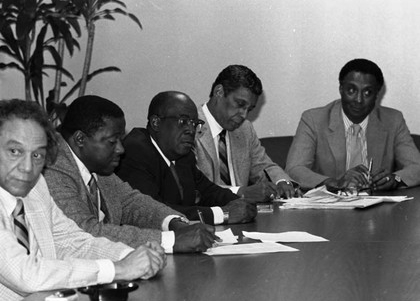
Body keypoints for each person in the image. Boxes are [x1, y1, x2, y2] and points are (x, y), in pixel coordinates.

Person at [0, 99, 166, 301]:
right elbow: (25, 273)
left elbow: (71, 241)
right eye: (15, 151)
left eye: (37, 154)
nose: (27, 167)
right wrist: (120, 268)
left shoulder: (34, 184)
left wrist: (132, 255)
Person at [43, 95, 217, 253]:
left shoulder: (98, 167)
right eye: (112, 141)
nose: (120, 148)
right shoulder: (54, 167)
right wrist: (170, 240)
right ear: (80, 139)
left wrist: (174, 223)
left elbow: (131, 202)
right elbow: (85, 232)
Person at [116, 91, 257, 225]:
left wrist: (242, 203)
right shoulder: (134, 151)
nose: (191, 130)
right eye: (183, 121)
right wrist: (223, 214)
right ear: (156, 123)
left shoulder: (183, 155)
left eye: (194, 123)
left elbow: (209, 191)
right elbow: (154, 211)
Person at [286, 58, 420, 191]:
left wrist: (395, 179)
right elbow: (294, 169)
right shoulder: (314, 119)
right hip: (329, 207)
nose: (359, 99)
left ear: (377, 94)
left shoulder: (393, 120)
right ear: (341, 89)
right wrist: (333, 182)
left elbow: (417, 166)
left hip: (377, 205)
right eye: (351, 90)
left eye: (367, 92)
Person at [195, 65, 298, 201]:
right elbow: (195, 186)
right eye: (239, 104)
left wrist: (282, 182)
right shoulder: (190, 127)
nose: (244, 115)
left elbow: (263, 165)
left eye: (249, 109)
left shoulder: (244, 129)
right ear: (219, 92)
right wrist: (241, 192)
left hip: (242, 215)